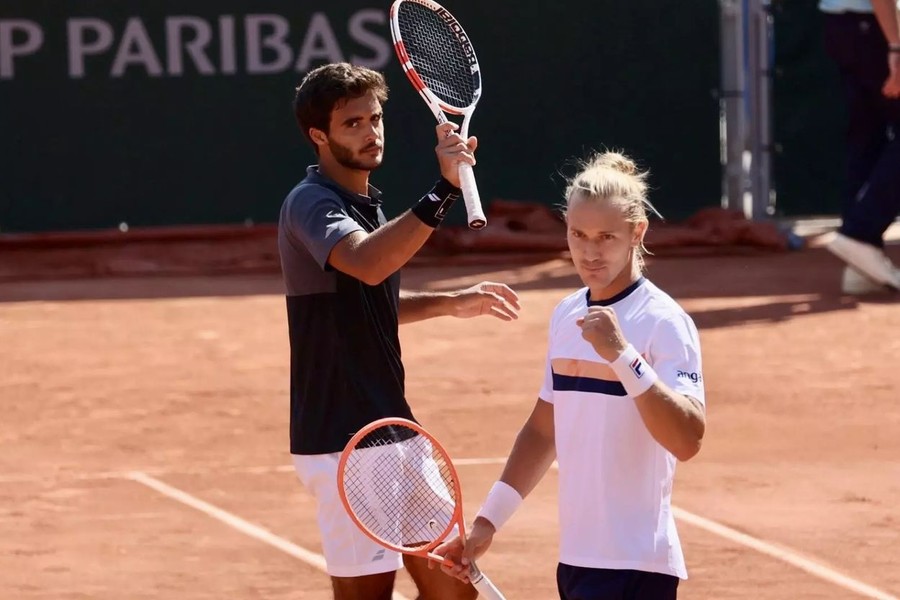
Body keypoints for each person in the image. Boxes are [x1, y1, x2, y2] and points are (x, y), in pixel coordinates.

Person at [278, 62, 520, 600]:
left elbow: (368, 300)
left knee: (456, 590)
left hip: (395, 430)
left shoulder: (367, 204)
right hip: (343, 441)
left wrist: (452, 303)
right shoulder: (311, 203)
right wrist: (444, 190)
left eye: (376, 119)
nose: (371, 133)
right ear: (319, 135)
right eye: (353, 124)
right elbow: (367, 264)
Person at [433, 151, 706, 600]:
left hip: (637, 565)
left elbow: (687, 439)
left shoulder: (664, 322)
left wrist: (624, 357)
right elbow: (544, 429)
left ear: (638, 233)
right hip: (578, 562)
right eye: (578, 234)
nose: (590, 252)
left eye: (606, 237)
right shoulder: (567, 315)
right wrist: (487, 523)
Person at [819, 0, 900, 292]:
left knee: (867, 138)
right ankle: (862, 235)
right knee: (868, 137)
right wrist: (896, 45)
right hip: (877, 29)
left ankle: (861, 266)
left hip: (847, 27)